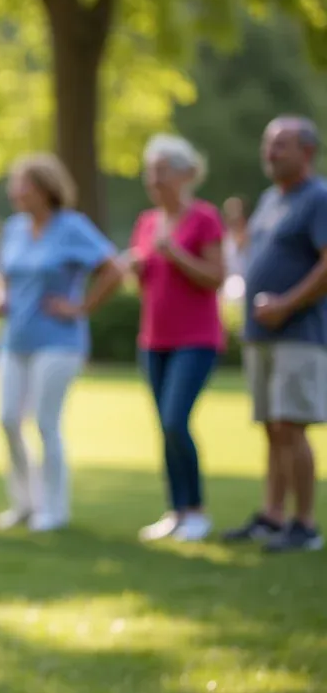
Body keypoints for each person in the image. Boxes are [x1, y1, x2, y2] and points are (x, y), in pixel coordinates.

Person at [0, 153, 124, 532]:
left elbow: (113, 269)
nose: (16, 192)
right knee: (7, 419)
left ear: (46, 189)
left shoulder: (72, 227)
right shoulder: (15, 228)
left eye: (24, 185)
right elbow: (4, 271)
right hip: (13, 340)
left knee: (46, 422)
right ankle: (24, 502)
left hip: (58, 342)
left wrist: (81, 306)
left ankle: (53, 509)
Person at [222, 115, 327, 552]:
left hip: (299, 333)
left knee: (292, 425)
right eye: (268, 143)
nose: (271, 151)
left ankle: (304, 525)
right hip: (261, 335)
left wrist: (286, 304)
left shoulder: (318, 198)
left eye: (281, 144)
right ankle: (272, 516)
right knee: (272, 427)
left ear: (307, 151)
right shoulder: (270, 199)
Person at [126, 135, 226, 543]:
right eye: (151, 172)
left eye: (163, 170)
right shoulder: (146, 223)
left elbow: (216, 277)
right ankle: (176, 512)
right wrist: (136, 266)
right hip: (154, 340)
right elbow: (147, 282)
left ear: (186, 174)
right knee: (163, 426)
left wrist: (176, 255)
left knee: (174, 420)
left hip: (196, 339)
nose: (155, 179)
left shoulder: (204, 218)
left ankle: (197, 511)